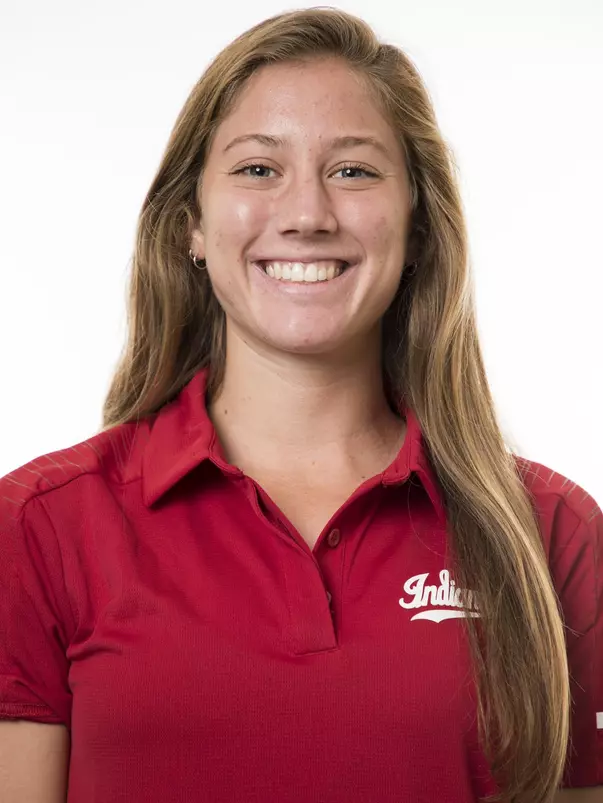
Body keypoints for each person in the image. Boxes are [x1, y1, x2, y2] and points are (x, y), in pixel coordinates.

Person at [0, 7, 601, 803]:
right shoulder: (40, 526)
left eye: (353, 171)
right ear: (191, 225)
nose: (308, 213)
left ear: (418, 226)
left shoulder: (549, 533)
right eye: (257, 169)